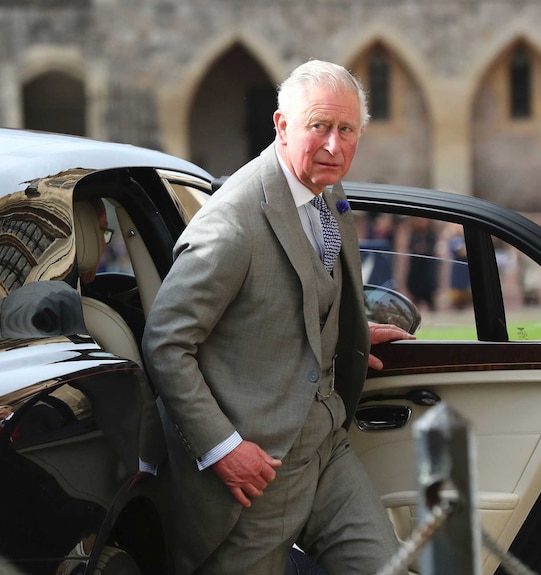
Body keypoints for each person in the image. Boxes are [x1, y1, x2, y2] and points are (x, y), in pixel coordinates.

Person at [141, 59, 414, 575]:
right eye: (319, 127)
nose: (334, 145)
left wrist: (346, 332)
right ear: (282, 126)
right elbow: (166, 342)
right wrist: (223, 449)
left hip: (327, 443)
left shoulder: (325, 194)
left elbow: (295, 299)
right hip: (255, 472)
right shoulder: (233, 222)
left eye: (347, 130)